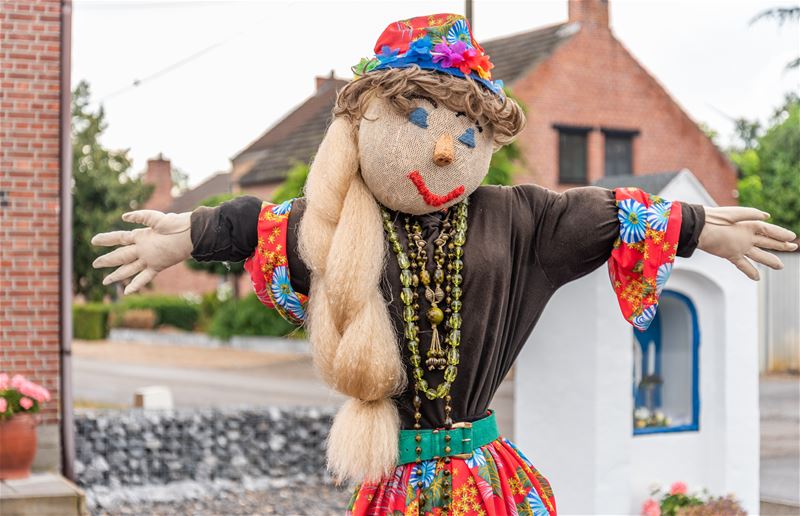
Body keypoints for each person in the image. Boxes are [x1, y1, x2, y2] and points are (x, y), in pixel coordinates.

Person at [91, 14, 797, 516]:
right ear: (362, 127)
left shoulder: (516, 217)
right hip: (393, 482)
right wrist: (186, 233)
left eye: (467, 132)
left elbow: (600, 210)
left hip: (487, 482)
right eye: (420, 124)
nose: (442, 152)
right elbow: (259, 224)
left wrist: (700, 226)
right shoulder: (338, 227)